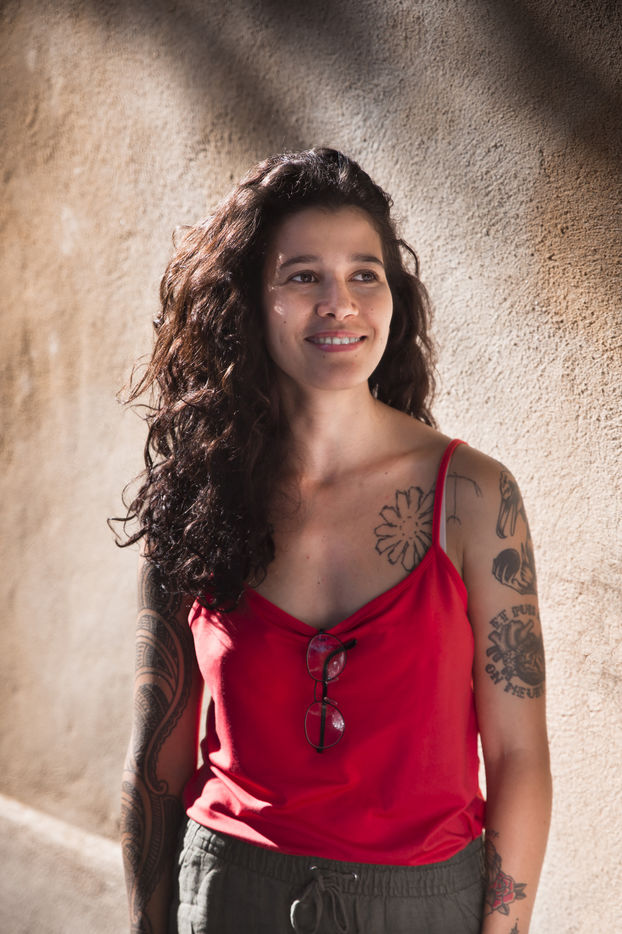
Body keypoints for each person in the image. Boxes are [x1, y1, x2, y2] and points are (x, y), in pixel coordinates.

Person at [116, 148, 552, 934]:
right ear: (248, 301)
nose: (339, 304)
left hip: (424, 907)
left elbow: (519, 755)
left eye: (364, 274)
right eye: (302, 276)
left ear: (394, 299)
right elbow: (157, 758)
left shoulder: (474, 497)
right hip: (229, 893)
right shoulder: (198, 493)